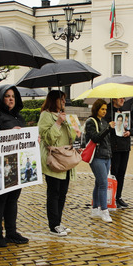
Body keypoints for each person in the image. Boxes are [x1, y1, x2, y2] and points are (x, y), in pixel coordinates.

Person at [0, 85, 30, 247]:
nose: (11, 99)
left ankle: (11, 231)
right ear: (1, 98)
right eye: (7, 96)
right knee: (0, 200)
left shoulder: (19, 117)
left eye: (13, 96)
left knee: (13, 199)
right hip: (1, 164)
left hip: (16, 164)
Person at [38, 90, 79, 235]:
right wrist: (58, 123)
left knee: (62, 193)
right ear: (53, 100)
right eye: (61, 99)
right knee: (54, 193)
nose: (63, 102)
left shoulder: (64, 116)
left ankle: (58, 222)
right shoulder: (45, 115)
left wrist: (76, 132)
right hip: (54, 160)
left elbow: (70, 137)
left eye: (64, 99)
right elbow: (47, 138)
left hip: (66, 159)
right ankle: (53, 224)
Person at [85, 99, 115, 222]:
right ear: (96, 108)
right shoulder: (90, 122)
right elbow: (96, 138)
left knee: (99, 183)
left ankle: (95, 209)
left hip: (106, 155)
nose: (104, 111)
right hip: (97, 156)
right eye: (102, 109)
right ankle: (104, 210)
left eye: (105, 109)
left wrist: (113, 129)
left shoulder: (104, 121)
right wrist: (108, 128)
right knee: (103, 183)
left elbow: (107, 140)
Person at [107, 97, 133, 209]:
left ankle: (118, 197)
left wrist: (129, 132)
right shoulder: (108, 113)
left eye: (123, 98)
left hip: (125, 147)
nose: (122, 99)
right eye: (120, 98)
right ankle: (112, 197)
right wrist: (111, 126)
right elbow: (105, 129)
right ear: (114, 99)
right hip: (115, 147)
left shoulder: (125, 112)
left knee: (122, 173)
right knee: (115, 173)